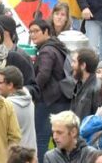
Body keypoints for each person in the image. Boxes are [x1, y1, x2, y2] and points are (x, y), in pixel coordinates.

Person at [29, 19, 73, 161]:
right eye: (30, 32)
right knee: (59, 139)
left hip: (48, 100)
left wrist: (32, 91)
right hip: (62, 98)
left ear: (46, 31)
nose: (32, 35)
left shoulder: (46, 50)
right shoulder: (56, 46)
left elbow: (44, 74)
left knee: (41, 138)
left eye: (36, 31)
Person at [0, 66, 36, 152]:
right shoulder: (29, 100)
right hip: (31, 154)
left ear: (10, 85)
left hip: (16, 156)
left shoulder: (7, 106)